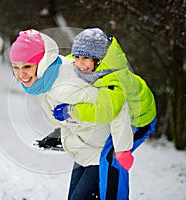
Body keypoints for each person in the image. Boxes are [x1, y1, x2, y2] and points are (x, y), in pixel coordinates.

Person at [10, 29, 133, 200]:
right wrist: (60, 133)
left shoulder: (67, 85)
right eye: (16, 67)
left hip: (101, 153)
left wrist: (122, 150)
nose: (21, 74)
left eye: (27, 66)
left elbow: (118, 108)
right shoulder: (46, 80)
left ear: (43, 62)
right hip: (83, 152)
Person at [52, 28, 157, 200]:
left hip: (139, 119)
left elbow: (104, 112)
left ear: (98, 59)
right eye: (77, 57)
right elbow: (62, 64)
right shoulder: (82, 64)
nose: (79, 63)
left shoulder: (114, 78)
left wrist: (70, 111)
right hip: (116, 115)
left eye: (85, 58)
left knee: (111, 158)